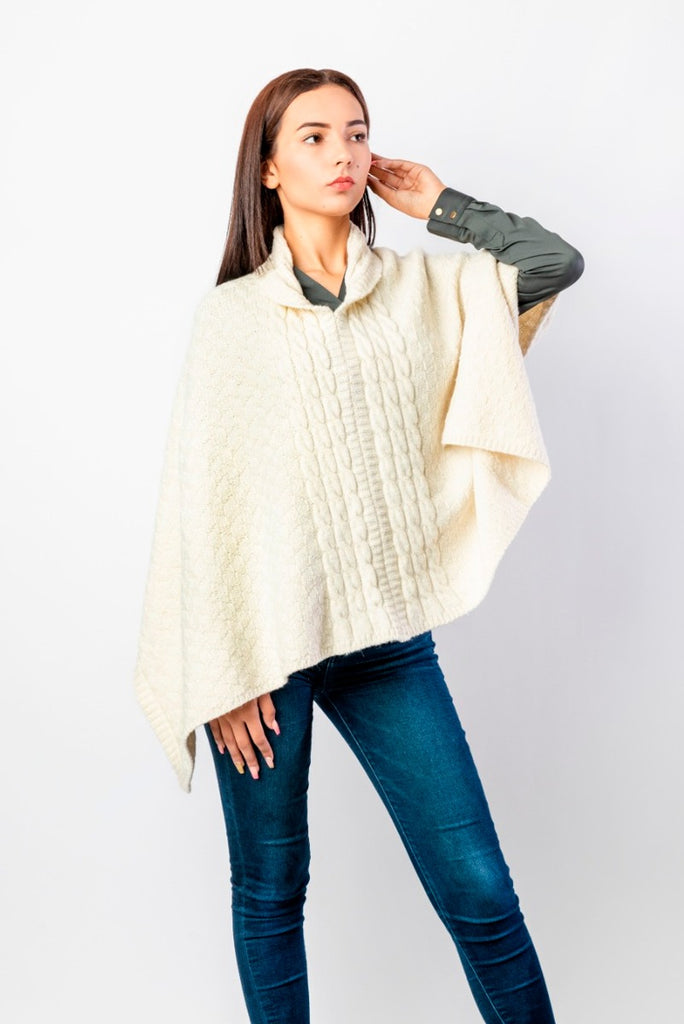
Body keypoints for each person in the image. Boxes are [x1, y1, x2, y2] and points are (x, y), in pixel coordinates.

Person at [133, 67, 584, 1023]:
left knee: (481, 892)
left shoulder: (422, 290)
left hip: (387, 643)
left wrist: (441, 206)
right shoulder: (232, 320)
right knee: (270, 893)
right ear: (267, 168)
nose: (342, 152)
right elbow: (202, 507)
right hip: (263, 653)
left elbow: (552, 262)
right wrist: (222, 669)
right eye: (314, 136)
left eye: (357, 133)